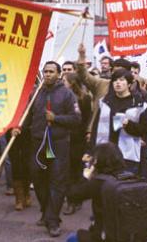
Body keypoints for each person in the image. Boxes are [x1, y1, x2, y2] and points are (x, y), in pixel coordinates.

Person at [14, 61, 81, 237]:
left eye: (52, 71)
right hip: (38, 143)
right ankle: (46, 211)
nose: (48, 74)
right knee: (37, 179)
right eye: (46, 71)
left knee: (57, 182)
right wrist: (18, 127)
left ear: (59, 74)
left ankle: (53, 221)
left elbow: (76, 119)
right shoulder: (35, 93)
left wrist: (56, 118)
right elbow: (27, 116)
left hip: (57, 144)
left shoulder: (67, 94)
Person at [88, 68, 147, 175]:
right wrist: (91, 151)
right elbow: (96, 128)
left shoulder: (139, 103)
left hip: (127, 154)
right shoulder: (105, 101)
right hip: (105, 152)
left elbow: (145, 129)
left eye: (121, 80)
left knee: (123, 187)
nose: (118, 83)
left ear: (129, 84)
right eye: (115, 80)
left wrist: (129, 125)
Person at [66, 143, 127, 242]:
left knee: (72, 238)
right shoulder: (129, 177)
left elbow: (73, 194)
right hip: (132, 235)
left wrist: (86, 176)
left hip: (107, 236)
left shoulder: (100, 182)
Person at [62, 72, 92, 215]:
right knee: (65, 171)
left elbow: (86, 119)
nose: (62, 82)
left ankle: (75, 200)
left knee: (76, 171)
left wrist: (86, 134)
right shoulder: (62, 96)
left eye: (64, 80)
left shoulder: (84, 98)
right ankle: (70, 199)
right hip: (63, 139)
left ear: (72, 82)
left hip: (77, 140)